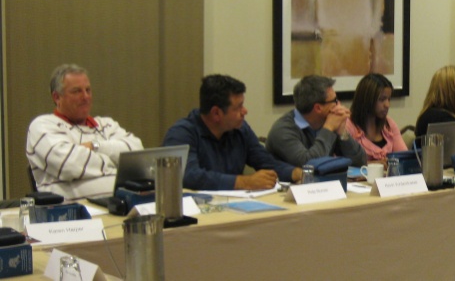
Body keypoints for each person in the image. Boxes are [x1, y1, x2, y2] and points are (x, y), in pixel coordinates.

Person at [163, 75, 301, 190]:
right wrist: (245, 182)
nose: (245, 111)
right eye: (239, 107)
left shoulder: (240, 129)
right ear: (216, 113)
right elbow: (189, 176)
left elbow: (265, 162)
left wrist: (295, 173)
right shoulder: (181, 134)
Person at [26, 64, 143, 199]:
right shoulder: (43, 125)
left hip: (123, 208)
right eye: (77, 91)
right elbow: (69, 165)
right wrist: (120, 168)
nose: (86, 97)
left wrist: (95, 146)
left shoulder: (106, 124)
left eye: (88, 90)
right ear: (57, 97)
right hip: (74, 214)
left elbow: (137, 155)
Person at [267, 75, 366, 168]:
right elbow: (308, 166)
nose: (339, 104)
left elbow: (360, 162)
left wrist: (342, 133)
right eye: (334, 101)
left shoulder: (326, 122)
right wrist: (328, 129)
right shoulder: (283, 130)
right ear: (318, 108)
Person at [345, 74, 407, 163]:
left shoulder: (388, 124)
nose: (387, 105)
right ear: (367, 99)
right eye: (382, 99)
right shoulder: (348, 126)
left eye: (389, 99)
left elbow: (404, 157)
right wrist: (374, 164)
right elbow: (342, 164)